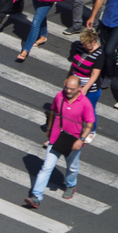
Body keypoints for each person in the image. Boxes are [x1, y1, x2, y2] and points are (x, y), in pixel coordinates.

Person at [25, 76, 95, 209]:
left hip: (73, 141)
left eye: (72, 89)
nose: (68, 91)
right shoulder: (59, 95)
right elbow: (53, 111)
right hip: (56, 138)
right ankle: (36, 196)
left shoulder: (85, 103)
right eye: (66, 87)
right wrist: (49, 128)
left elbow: (90, 124)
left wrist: (81, 140)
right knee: (46, 167)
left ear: (79, 88)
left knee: (72, 168)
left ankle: (70, 185)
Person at [86, 0, 118, 89]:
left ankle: (109, 75)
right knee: (103, 49)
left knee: (109, 50)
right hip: (106, 20)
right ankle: (100, 71)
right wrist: (92, 16)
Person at [66, 28, 104, 142]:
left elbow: (94, 75)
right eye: (83, 44)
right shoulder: (80, 47)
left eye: (86, 45)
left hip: (90, 89)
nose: (83, 46)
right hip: (75, 85)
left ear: (93, 42)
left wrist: (85, 89)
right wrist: (69, 77)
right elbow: (74, 64)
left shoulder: (99, 55)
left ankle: (91, 131)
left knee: (89, 110)